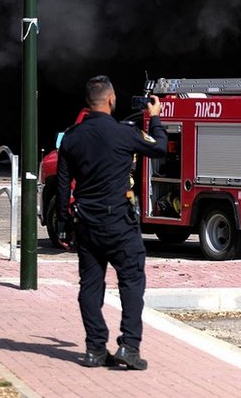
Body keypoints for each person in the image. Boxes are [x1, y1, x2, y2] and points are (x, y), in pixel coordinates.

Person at [57, 75, 166, 370]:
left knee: (90, 287)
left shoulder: (71, 137)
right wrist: (153, 118)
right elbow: (160, 147)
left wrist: (66, 223)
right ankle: (129, 347)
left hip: (87, 225)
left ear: (88, 102)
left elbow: (63, 184)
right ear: (109, 100)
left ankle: (94, 349)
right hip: (119, 223)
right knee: (131, 282)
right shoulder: (123, 133)